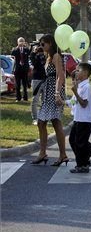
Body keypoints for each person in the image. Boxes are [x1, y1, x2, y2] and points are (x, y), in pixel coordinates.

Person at [31, 34, 69, 167]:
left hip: (55, 92)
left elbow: (61, 77)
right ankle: (44, 153)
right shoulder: (48, 57)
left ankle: (61, 155)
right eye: (40, 44)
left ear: (50, 43)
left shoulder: (56, 56)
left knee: (54, 122)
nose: (41, 46)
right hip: (48, 92)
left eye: (43, 44)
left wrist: (57, 93)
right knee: (43, 123)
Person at [30, 45, 47, 125]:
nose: (40, 51)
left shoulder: (46, 56)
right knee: (35, 99)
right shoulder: (34, 56)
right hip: (36, 79)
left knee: (45, 100)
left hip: (45, 79)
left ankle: (42, 116)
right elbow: (33, 62)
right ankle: (35, 118)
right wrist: (34, 52)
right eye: (38, 50)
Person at [11, 37, 31, 102]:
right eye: (20, 41)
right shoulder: (15, 49)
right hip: (17, 70)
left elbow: (30, 52)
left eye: (22, 41)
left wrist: (27, 45)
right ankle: (18, 98)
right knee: (18, 85)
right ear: (18, 42)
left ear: (24, 42)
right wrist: (17, 47)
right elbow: (12, 53)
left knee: (24, 85)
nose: (21, 42)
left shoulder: (26, 50)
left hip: (24, 69)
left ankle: (25, 98)